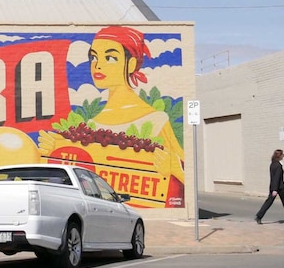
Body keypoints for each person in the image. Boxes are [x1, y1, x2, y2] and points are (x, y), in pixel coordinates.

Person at [38, 25, 185, 207]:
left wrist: (174, 169)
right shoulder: (92, 124)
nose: (98, 65)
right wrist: (58, 150)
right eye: (93, 57)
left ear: (130, 64)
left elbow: (184, 171)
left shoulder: (155, 120)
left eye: (110, 57)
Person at [255, 149, 284, 224]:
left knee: (269, 202)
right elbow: (277, 177)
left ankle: (259, 216)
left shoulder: (272, 164)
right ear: (280, 156)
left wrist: (273, 188)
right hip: (279, 187)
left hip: (273, 186)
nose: (283, 156)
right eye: (282, 155)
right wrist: (275, 190)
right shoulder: (278, 165)